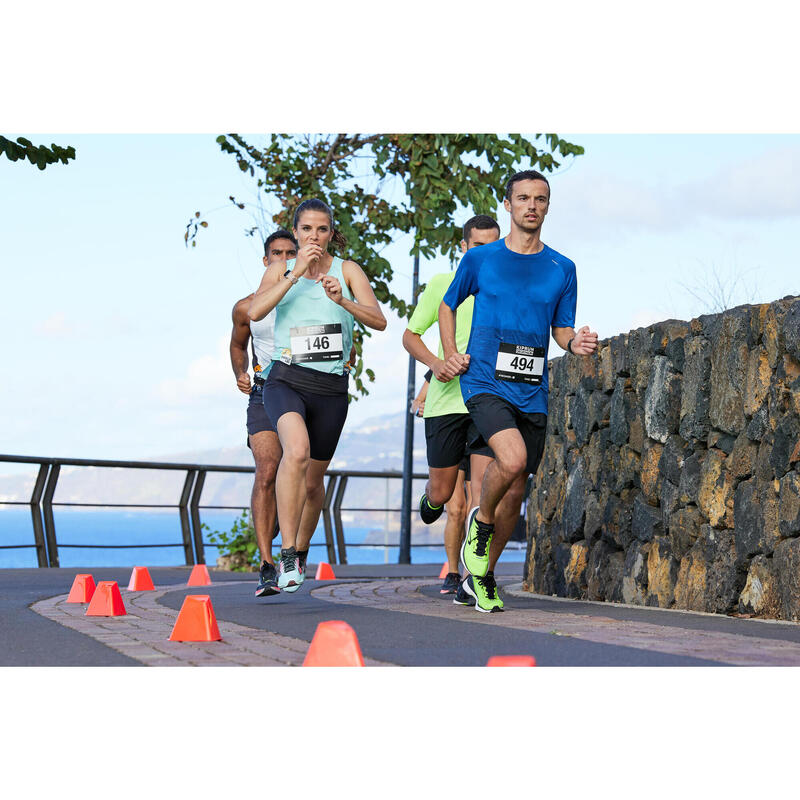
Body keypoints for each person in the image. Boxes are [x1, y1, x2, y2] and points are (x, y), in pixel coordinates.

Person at [440, 170, 598, 612]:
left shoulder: (562, 268)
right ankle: (480, 521)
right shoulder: (481, 259)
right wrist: (451, 352)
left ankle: (481, 577)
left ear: (548, 206)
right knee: (512, 459)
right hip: (486, 381)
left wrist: (575, 343)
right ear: (508, 205)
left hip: (532, 388)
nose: (532, 205)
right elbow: (447, 305)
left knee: (514, 490)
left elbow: (561, 329)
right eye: (524, 198)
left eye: (541, 199)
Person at [249, 199, 387, 592]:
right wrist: (293, 275)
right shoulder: (281, 269)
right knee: (295, 451)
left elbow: (379, 320)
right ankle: (286, 553)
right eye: (306, 229)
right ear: (296, 233)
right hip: (286, 379)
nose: (313, 236)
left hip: (330, 388)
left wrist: (341, 300)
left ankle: (302, 549)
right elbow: (255, 312)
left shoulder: (348, 270)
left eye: (321, 229)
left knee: (312, 482)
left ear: (331, 233)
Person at [402, 215, 500, 594]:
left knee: (479, 495)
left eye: (492, 247)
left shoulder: (503, 290)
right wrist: (437, 364)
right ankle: (430, 497)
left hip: (489, 403)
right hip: (446, 404)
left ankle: (473, 577)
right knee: (445, 496)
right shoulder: (442, 285)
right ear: (463, 248)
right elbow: (410, 336)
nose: (485, 254)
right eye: (478, 247)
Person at [229, 229, 297, 597]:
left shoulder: (309, 298)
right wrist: (240, 372)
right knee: (267, 469)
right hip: (263, 393)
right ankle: (267, 564)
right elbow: (238, 346)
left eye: (291, 253)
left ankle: (284, 541)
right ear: (265, 259)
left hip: (303, 394)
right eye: (277, 253)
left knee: (300, 473)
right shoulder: (246, 306)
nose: (284, 259)